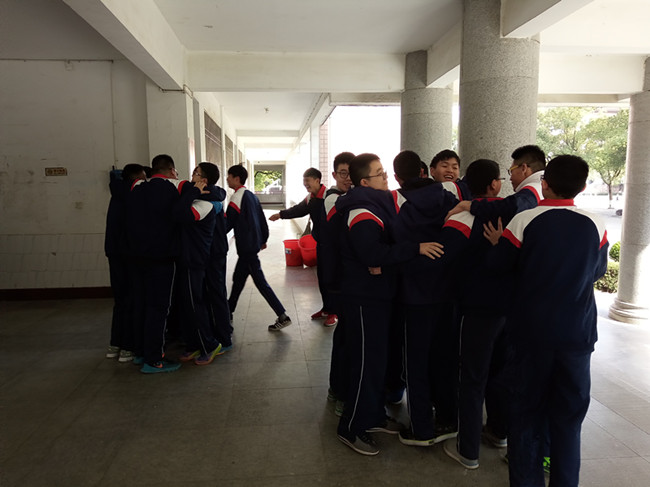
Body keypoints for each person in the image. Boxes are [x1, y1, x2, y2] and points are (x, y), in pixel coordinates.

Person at [486, 155, 608, 486]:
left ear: (544, 183)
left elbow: (498, 267)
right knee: (568, 420)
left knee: (526, 415)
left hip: (530, 336)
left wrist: (498, 244)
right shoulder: (596, 224)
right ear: (583, 186)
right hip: (576, 338)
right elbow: (597, 271)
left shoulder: (523, 221)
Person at [334, 153, 443, 456]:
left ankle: (372, 415)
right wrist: (414, 249)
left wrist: (386, 260)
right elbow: (372, 254)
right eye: (379, 173)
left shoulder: (377, 205)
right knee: (366, 363)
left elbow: (383, 252)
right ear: (364, 182)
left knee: (378, 361)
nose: (386, 177)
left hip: (379, 294)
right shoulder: (361, 211)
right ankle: (351, 427)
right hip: (364, 297)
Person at [435, 159, 510, 469]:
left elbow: (442, 258)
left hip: (475, 309)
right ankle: (499, 432)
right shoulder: (516, 215)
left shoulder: (461, 217)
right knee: (500, 374)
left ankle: (467, 450)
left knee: (472, 377)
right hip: (508, 309)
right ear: (494, 184)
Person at [387, 151, 459, 447]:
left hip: (414, 294)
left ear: (397, 177)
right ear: (423, 170)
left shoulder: (395, 201)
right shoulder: (448, 198)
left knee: (415, 362)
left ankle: (422, 428)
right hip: (447, 290)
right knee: (444, 357)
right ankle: (449, 418)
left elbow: (391, 242)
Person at [126, 154, 185, 373]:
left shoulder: (137, 189)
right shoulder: (170, 189)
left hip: (136, 257)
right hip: (161, 258)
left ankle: (141, 353)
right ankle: (154, 360)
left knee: (141, 305)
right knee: (158, 308)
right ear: (171, 171)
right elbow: (182, 212)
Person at [225, 165, 292, 331]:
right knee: (238, 280)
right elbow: (262, 219)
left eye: (229, 176)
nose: (227, 179)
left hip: (246, 248)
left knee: (260, 283)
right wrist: (263, 239)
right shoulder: (251, 196)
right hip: (251, 246)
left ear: (236, 179)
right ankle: (228, 311)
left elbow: (227, 224)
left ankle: (282, 315)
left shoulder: (236, 197)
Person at [173, 162, 224, 365]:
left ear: (204, 180)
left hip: (194, 259)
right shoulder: (198, 198)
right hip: (186, 258)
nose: (192, 175)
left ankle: (209, 345)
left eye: (196, 173)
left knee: (195, 304)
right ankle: (194, 344)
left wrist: (193, 192)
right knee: (187, 305)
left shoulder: (205, 205)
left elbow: (179, 214)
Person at [269, 168, 334, 325]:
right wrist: (281, 215)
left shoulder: (330, 196)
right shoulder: (311, 197)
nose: (305, 184)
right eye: (304, 181)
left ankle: (334, 312)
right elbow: (299, 210)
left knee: (331, 278)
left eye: (307, 181)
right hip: (321, 244)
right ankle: (326, 308)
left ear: (317, 180)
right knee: (322, 277)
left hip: (333, 245)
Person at [321, 152, 355, 413]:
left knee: (345, 334)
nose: (348, 178)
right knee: (346, 337)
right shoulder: (333, 198)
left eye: (352, 173)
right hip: (341, 279)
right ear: (334, 175)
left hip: (346, 278)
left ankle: (337, 389)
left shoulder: (349, 197)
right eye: (343, 173)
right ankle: (341, 393)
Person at [104, 163, 146, 363]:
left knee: (120, 300)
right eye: (143, 177)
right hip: (129, 254)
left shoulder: (117, 193)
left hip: (114, 253)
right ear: (136, 177)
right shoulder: (133, 195)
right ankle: (129, 347)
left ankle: (115, 344)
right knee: (133, 299)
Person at [446, 144, 546, 226]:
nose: (510, 178)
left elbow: (511, 208)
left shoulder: (534, 190)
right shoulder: (543, 187)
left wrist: (470, 205)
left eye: (511, 171)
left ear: (523, 168)